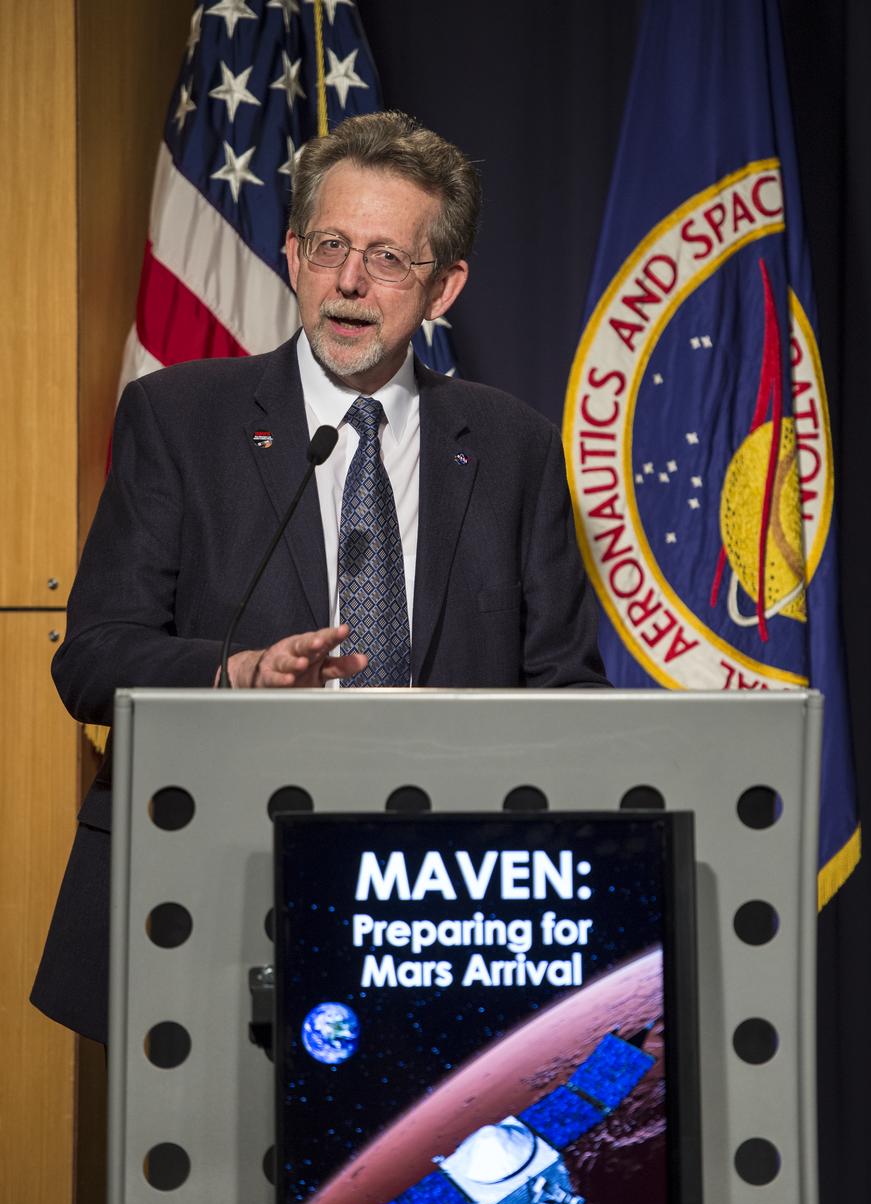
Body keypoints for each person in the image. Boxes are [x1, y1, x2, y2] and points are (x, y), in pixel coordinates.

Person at [32, 111, 607, 1044]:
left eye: (388, 258)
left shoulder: (515, 450)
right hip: (216, 895)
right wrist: (235, 675)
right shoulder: (180, 420)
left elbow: (567, 696)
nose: (349, 281)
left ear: (445, 283)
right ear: (294, 253)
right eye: (332, 245)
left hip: (440, 916)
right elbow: (91, 659)